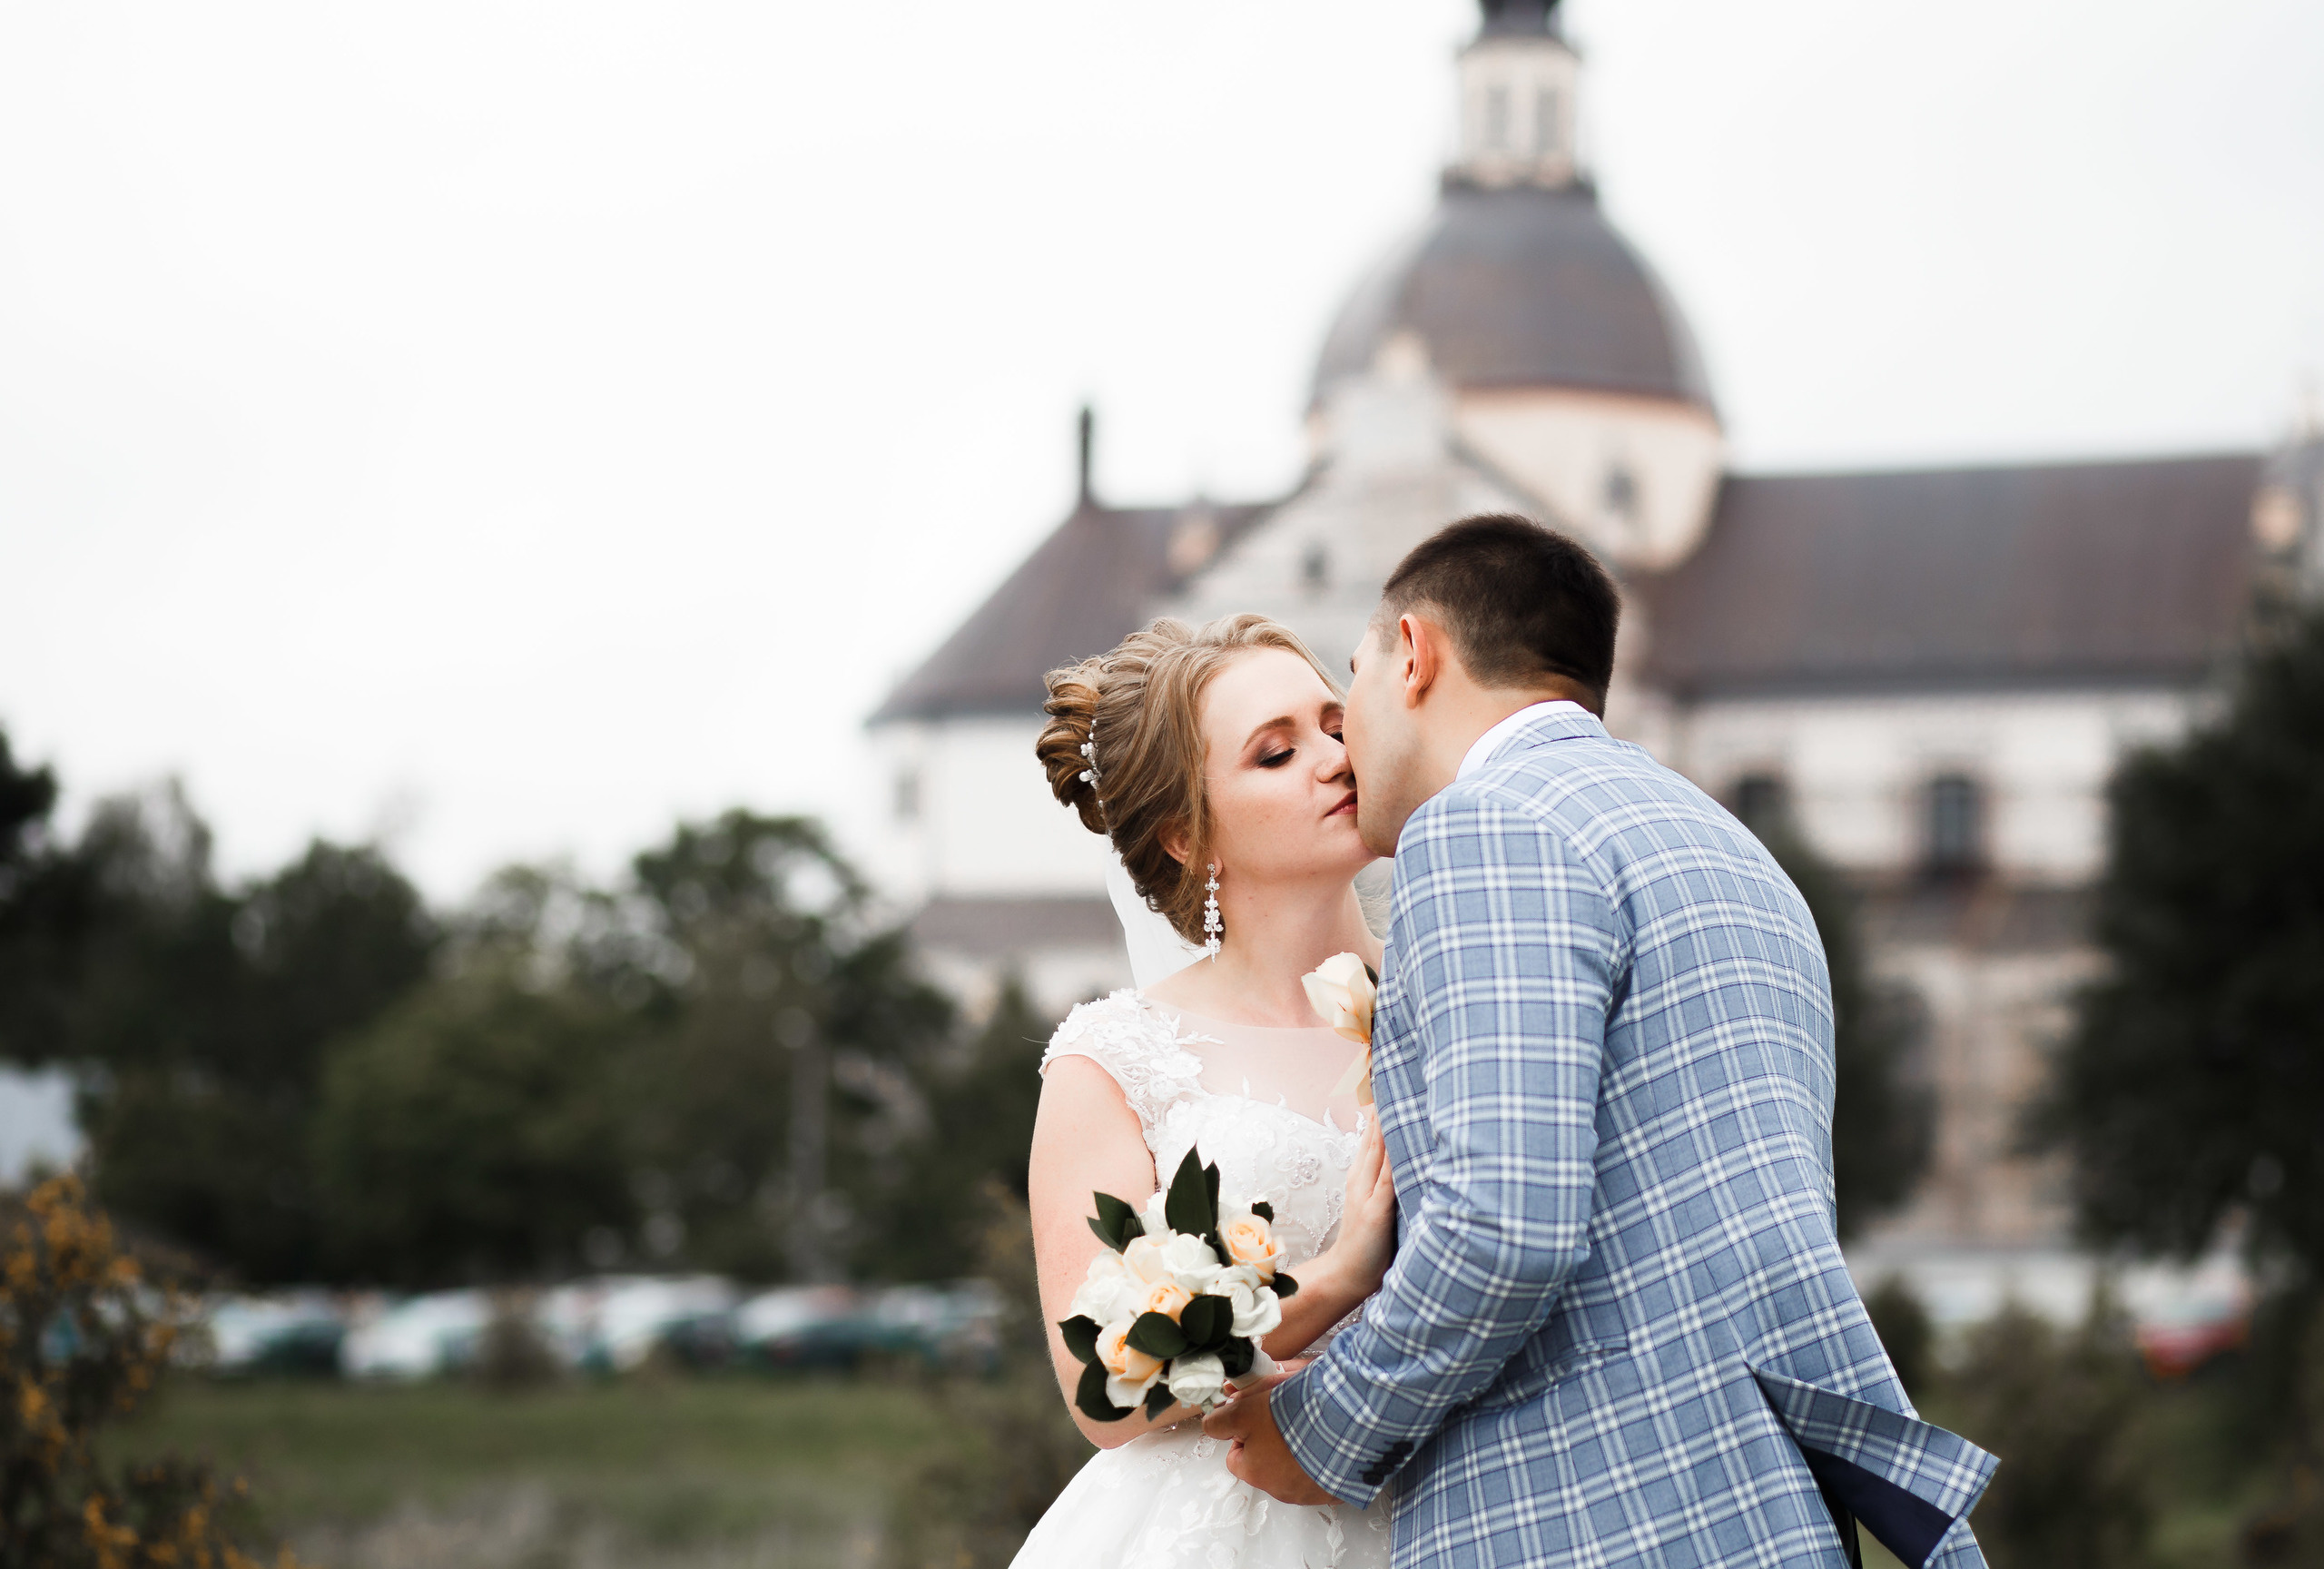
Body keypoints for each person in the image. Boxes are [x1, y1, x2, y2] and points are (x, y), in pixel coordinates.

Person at [1200, 515, 1999, 1568]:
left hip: (1587, 1516)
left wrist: (1321, 1430)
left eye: (1351, 683)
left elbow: (1504, 1226)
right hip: (1761, 1511)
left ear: (1414, 653)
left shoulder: (1482, 826)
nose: (1344, 739)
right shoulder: (1735, 855)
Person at [1010, 613, 1402, 1567]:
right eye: (1277, 753)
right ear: (1187, 838)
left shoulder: (1459, 997)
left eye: (1336, 724)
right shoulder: (1116, 1058)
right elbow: (1100, 1392)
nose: (1334, 760)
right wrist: (1337, 1278)